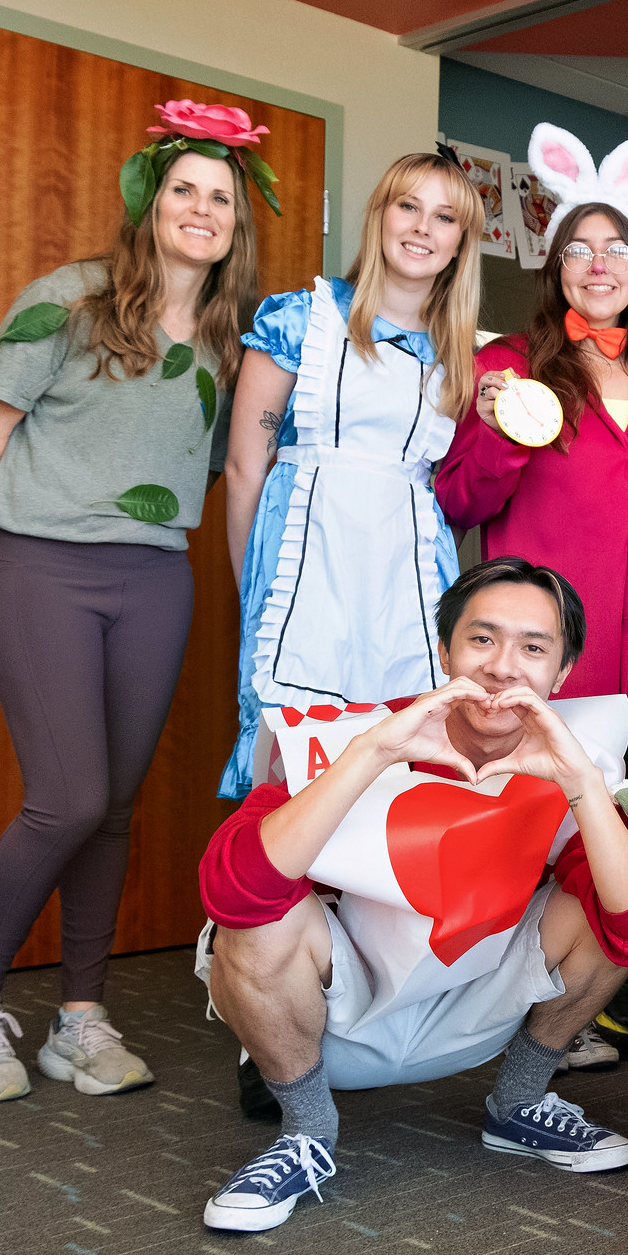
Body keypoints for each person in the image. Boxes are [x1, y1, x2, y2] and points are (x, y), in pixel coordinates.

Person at [0, 100, 273, 1105]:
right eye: (183, 192)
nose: (200, 211)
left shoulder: (226, 337)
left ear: (235, 226)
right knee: (66, 797)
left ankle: (80, 1016)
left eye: (219, 198)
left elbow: (206, 467)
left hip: (156, 577)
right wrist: (14, 531)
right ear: (149, 204)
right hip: (44, 569)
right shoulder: (69, 299)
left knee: (110, 808)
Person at [194, 557, 628, 1232]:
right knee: (251, 924)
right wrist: (372, 754)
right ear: (445, 648)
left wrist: (583, 787)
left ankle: (518, 1105)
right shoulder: (346, 735)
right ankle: (305, 1133)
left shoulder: (575, 754)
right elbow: (233, 894)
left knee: (618, 887)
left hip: (476, 1011)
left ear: (561, 674)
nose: (504, 666)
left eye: (533, 648)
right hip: (336, 1020)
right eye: (482, 639)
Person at [219, 151, 485, 798]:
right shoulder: (299, 318)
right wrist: (252, 592)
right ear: (380, 216)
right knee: (291, 774)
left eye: (444, 217)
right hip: (307, 573)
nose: (423, 227)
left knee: (396, 773)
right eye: (408, 206)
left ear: (459, 244)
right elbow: (243, 467)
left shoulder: (466, 361)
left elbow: (459, 494)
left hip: (407, 585)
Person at [439, 124, 628, 740]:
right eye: (579, 249)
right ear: (556, 268)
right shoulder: (508, 365)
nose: (599, 264)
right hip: (534, 666)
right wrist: (502, 434)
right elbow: (459, 502)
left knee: (619, 829)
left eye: (617, 249)